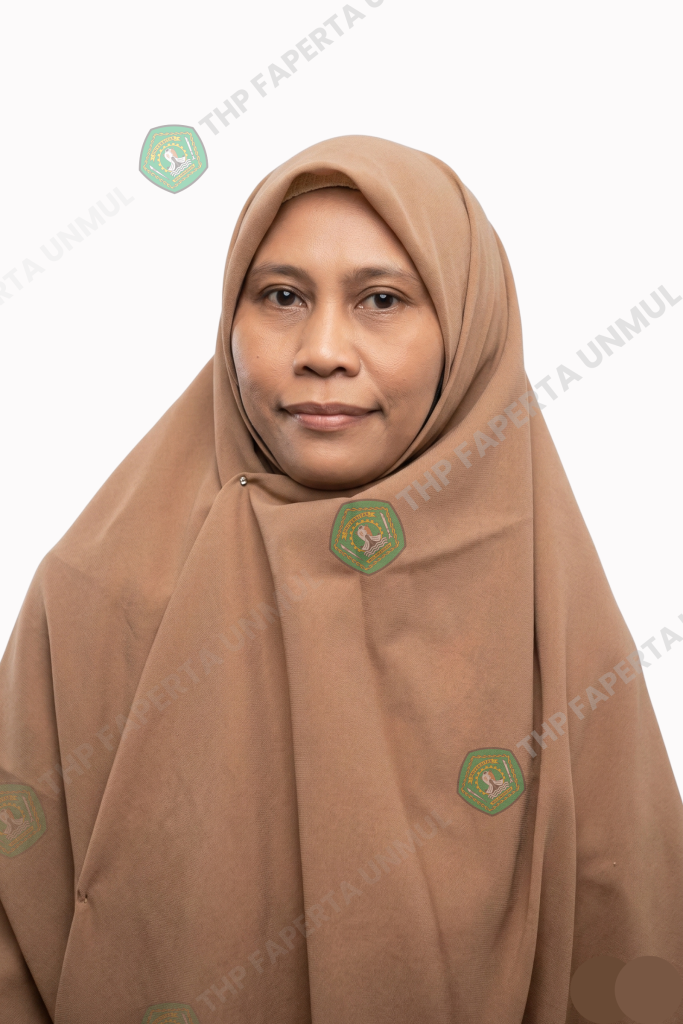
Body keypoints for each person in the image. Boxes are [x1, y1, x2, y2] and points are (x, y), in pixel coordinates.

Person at [1, 135, 681, 1024]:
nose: (322, 349)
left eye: (381, 300)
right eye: (280, 296)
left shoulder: (548, 614)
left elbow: (625, 934)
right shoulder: (96, 594)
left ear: (468, 330)